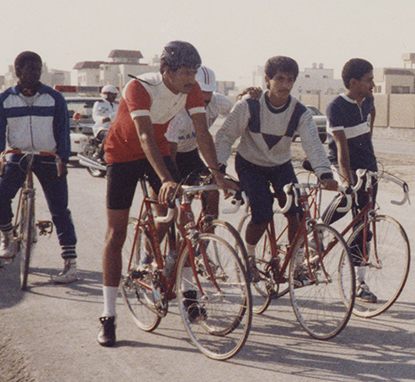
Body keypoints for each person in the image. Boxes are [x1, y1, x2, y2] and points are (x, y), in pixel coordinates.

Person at [97, 41, 232, 347]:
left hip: (159, 152)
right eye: (186, 72)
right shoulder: (139, 87)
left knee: (184, 223)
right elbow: (144, 135)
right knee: (115, 234)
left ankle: (188, 293)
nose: (191, 78)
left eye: (195, 72)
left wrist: (217, 174)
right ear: (166, 71)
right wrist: (165, 179)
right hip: (122, 155)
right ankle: (108, 315)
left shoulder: (192, 89)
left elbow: (202, 133)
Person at [213, 56, 333, 268]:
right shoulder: (249, 104)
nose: (285, 85)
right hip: (250, 165)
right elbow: (225, 136)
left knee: (297, 212)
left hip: (280, 166)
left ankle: (294, 265)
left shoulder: (300, 112)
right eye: (279, 79)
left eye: (290, 80)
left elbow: (313, 144)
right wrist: (219, 169)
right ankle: (248, 258)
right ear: (267, 79)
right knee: (262, 213)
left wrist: (325, 174)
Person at [0, 51, 79, 282]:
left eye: (39, 69)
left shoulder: (54, 98)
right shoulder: (4, 99)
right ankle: (7, 236)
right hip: (17, 156)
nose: (36, 74)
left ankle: (70, 263)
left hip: (48, 157)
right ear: (18, 72)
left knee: (60, 210)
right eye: (31, 69)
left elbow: (63, 131)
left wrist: (64, 159)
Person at [325, 58, 379, 303]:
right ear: (354, 82)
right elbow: (341, 148)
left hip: (367, 165)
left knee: (364, 221)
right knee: (347, 199)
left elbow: (370, 121)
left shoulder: (368, 101)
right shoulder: (336, 106)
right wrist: (347, 182)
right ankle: (317, 230)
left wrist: (369, 153)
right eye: (369, 80)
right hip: (341, 161)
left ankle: (360, 282)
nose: (373, 84)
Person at [166, 66, 234, 223]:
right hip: (170, 154)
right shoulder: (178, 110)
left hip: (190, 153)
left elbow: (240, 113)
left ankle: (205, 234)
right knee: (177, 206)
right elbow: (170, 150)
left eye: (208, 95)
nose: (205, 99)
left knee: (211, 188)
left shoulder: (218, 101)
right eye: (201, 93)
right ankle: (178, 241)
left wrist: (248, 98)